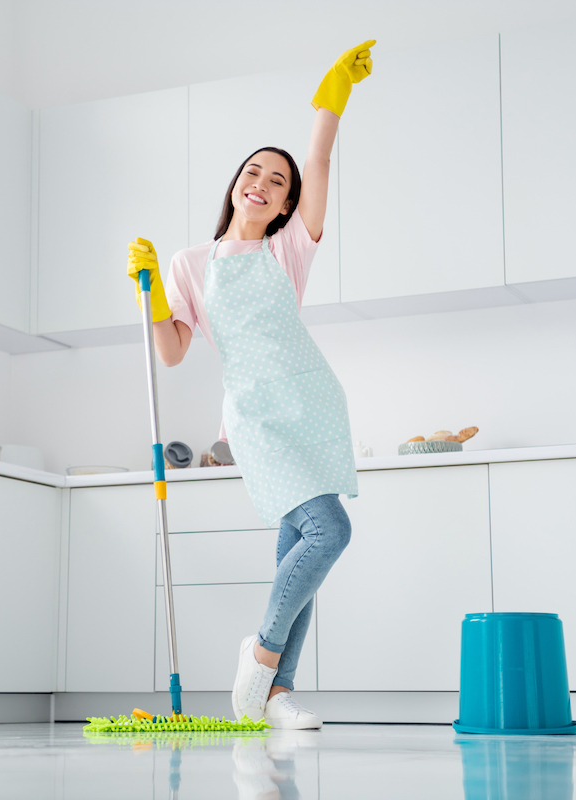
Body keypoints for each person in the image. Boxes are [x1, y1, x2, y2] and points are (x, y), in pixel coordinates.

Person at [126, 40, 376, 730]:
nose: (261, 183)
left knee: (299, 549)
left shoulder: (288, 247)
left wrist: (331, 99)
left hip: (314, 405)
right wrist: (151, 295)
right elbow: (173, 351)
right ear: (236, 183)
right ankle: (262, 655)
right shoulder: (190, 262)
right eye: (253, 172)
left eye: (277, 182)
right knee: (329, 532)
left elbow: (319, 160)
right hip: (256, 418)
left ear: (289, 203)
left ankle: (276, 695)